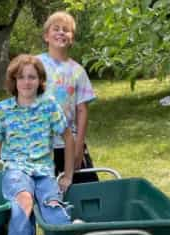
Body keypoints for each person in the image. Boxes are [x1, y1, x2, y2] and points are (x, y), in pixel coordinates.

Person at [0, 54, 75, 235]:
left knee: (53, 210)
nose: (26, 82)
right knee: (24, 201)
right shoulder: (2, 110)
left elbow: (68, 137)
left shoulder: (49, 107)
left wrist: (68, 174)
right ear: (14, 81)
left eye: (32, 77)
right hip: (17, 169)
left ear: (40, 81)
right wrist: (10, 161)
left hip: (43, 170)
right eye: (21, 77)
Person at [37, 11, 97, 183]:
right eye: (56, 29)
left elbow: (82, 110)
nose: (61, 32)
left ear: (71, 38)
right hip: (39, 142)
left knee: (87, 188)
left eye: (66, 30)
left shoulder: (78, 71)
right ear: (46, 36)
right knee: (42, 191)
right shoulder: (35, 64)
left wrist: (79, 146)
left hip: (68, 143)